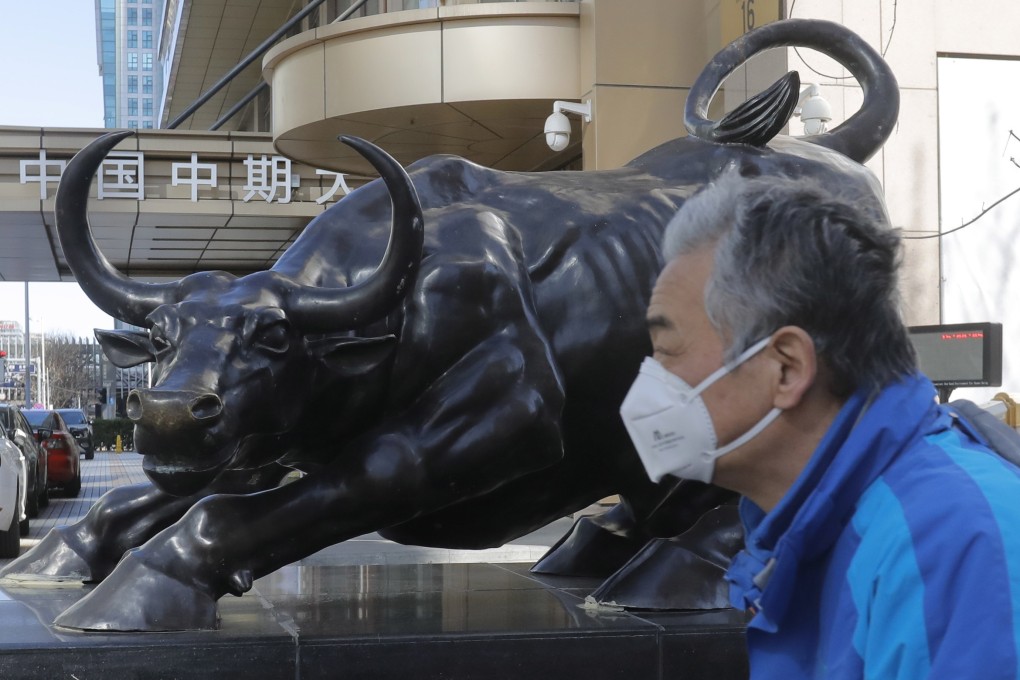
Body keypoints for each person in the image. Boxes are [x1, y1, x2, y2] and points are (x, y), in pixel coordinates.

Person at [619, 168, 1020, 679]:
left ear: (786, 367)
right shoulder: (809, 526)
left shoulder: (952, 543)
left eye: (665, 350)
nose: (650, 382)